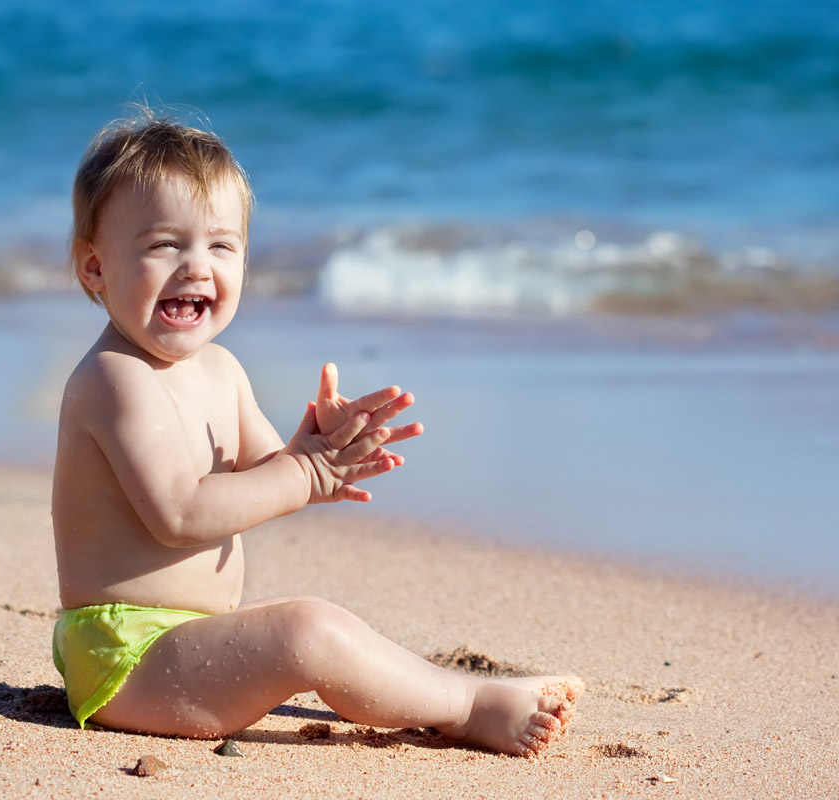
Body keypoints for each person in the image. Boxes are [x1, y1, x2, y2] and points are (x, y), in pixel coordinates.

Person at [50, 111, 581, 756]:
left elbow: (266, 471)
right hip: (127, 658)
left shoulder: (220, 369)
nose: (196, 266)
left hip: (185, 642)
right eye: (165, 244)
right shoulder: (116, 379)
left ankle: (444, 690)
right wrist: (301, 475)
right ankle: (466, 705)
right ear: (95, 268)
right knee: (308, 629)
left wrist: (318, 457)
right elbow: (179, 513)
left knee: (317, 630)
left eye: (220, 246)